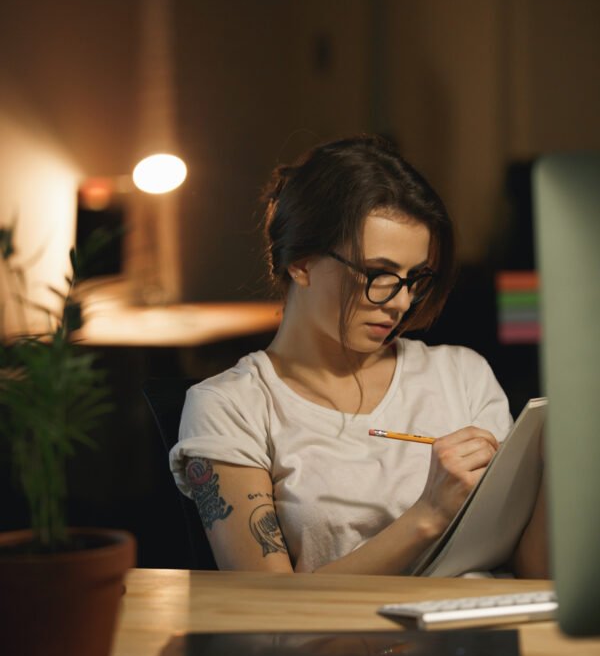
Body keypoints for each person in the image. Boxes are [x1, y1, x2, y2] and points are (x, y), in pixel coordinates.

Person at [170, 135, 548, 576]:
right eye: (379, 274)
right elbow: (268, 609)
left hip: (483, 639)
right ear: (302, 262)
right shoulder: (231, 406)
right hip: (340, 644)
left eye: (415, 277)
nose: (401, 303)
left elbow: (531, 573)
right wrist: (429, 515)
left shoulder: (462, 374)